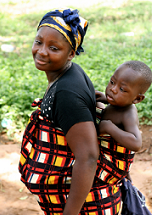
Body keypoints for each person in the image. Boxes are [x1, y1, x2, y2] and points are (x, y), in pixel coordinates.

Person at [18, 8, 122, 215]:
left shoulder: (66, 93)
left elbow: (88, 157)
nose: (42, 51)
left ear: (71, 53)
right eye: (39, 42)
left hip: (86, 207)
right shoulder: (68, 74)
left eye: (54, 48)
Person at [95, 60, 152, 185]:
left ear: (137, 99)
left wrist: (109, 127)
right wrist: (105, 99)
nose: (113, 89)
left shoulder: (128, 113)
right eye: (112, 82)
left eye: (122, 89)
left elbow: (136, 143)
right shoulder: (120, 102)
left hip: (113, 164)